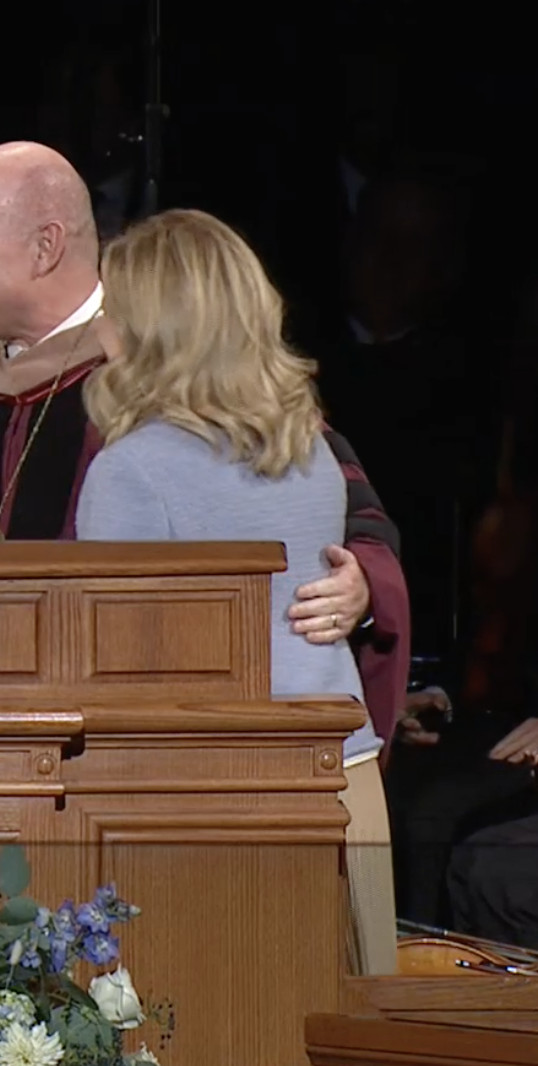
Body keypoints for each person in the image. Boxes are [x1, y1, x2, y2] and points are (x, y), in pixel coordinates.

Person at [0, 142, 410, 744]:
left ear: (45, 246)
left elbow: (333, 508)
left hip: (138, 750)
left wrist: (358, 581)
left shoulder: (185, 381)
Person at [71, 208, 398, 974]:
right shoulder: (307, 449)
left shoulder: (132, 469)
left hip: (218, 796)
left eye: (109, 305)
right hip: (342, 777)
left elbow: (118, 672)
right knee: (347, 1025)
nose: (98, 326)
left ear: (149, 325)